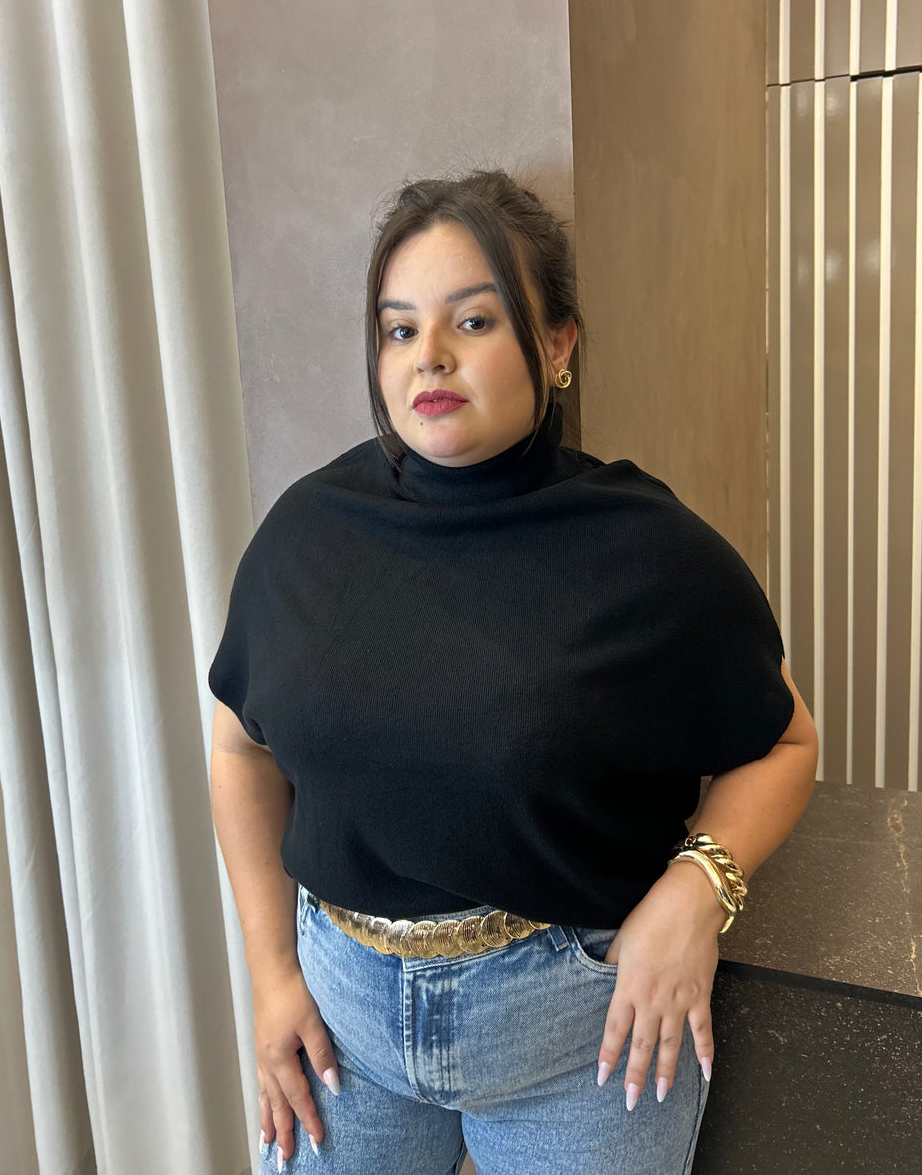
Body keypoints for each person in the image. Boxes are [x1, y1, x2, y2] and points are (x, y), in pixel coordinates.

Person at [208, 168, 819, 1174]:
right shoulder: (306, 536)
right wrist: (272, 977)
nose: (429, 356)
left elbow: (785, 741)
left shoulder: (646, 550)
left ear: (559, 343)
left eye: (474, 320)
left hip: (583, 1037)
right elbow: (241, 750)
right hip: (341, 1028)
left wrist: (696, 892)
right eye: (399, 328)